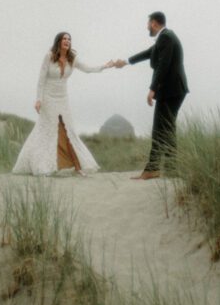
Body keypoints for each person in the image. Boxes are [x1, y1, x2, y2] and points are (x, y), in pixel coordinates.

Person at [12, 32, 116, 176]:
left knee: (69, 130)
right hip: (48, 98)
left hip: (63, 98)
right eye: (64, 39)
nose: (67, 41)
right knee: (48, 130)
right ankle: (44, 166)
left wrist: (104, 66)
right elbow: (41, 80)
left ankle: (77, 166)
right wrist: (38, 99)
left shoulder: (72, 58)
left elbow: (87, 69)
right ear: (59, 41)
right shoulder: (49, 56)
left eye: (69, 39)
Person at [115, 11, 188, 180]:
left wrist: (152, 89)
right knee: (167, 129)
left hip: (171, 90)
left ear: (154, 23)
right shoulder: (164, 38)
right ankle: (170, 168)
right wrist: (125, 62)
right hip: (174, 90)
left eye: (148, 23)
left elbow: (164, 65)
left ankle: (153, 168)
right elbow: (147, 53)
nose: (147, 27)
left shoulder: (167, 37)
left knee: (159, 129)